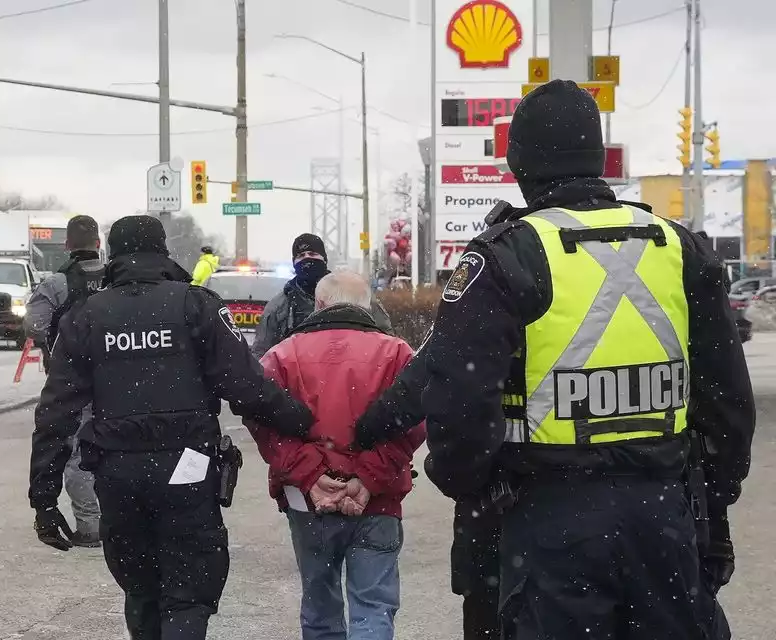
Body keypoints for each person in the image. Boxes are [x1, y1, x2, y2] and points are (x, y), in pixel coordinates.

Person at [422, 80, 753, 638]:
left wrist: (470, 484)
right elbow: (726, 401)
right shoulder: (678, 247)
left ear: (518, 163)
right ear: (597, 158)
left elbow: (457, 404)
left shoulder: (505, 257)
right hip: (664, 515)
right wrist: (710, 500)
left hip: (547, 523)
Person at [29, 215, 315, 640]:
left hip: (118, 474)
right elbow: (248, 386)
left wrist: (44, 499)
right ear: (162, 251)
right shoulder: (196, 305)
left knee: (141, 591)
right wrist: (307, 422)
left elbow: (56, 413)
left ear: (114, 254)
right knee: (186, 593)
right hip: (188, 469)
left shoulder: (87, 315)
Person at [247, 270, 424, 640]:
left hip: (307, 501)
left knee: (320, 606)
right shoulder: (397, 353)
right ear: (368, 307)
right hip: (377, 501)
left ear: (319, 304)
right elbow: (415, 422)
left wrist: (310, 476)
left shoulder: (284, 354)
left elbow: (262, 419)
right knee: (373, 607)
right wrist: (367, 478)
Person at [355, 339, 503, 640]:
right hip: (607, 495)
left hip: (495, 501)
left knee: (489, 611)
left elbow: (410, 393)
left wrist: (361, 439)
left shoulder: (480, 297)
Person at [23, 214, 105, 547]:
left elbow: (33, 326)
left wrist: (59, 342)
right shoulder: (117, 279)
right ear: (98, 245)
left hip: (71, 381)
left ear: (67, 245)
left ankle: (90, 526)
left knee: (76, 453)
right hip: (117, 379)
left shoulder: (56, 284)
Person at [252, 234, 392, 358]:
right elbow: (263, 353)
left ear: (324, 259)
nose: (307, 259)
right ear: (294, 263)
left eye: (312, 254)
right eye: (301, 256)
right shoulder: (280, 305)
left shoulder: (352, 291)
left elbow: (385, 337)